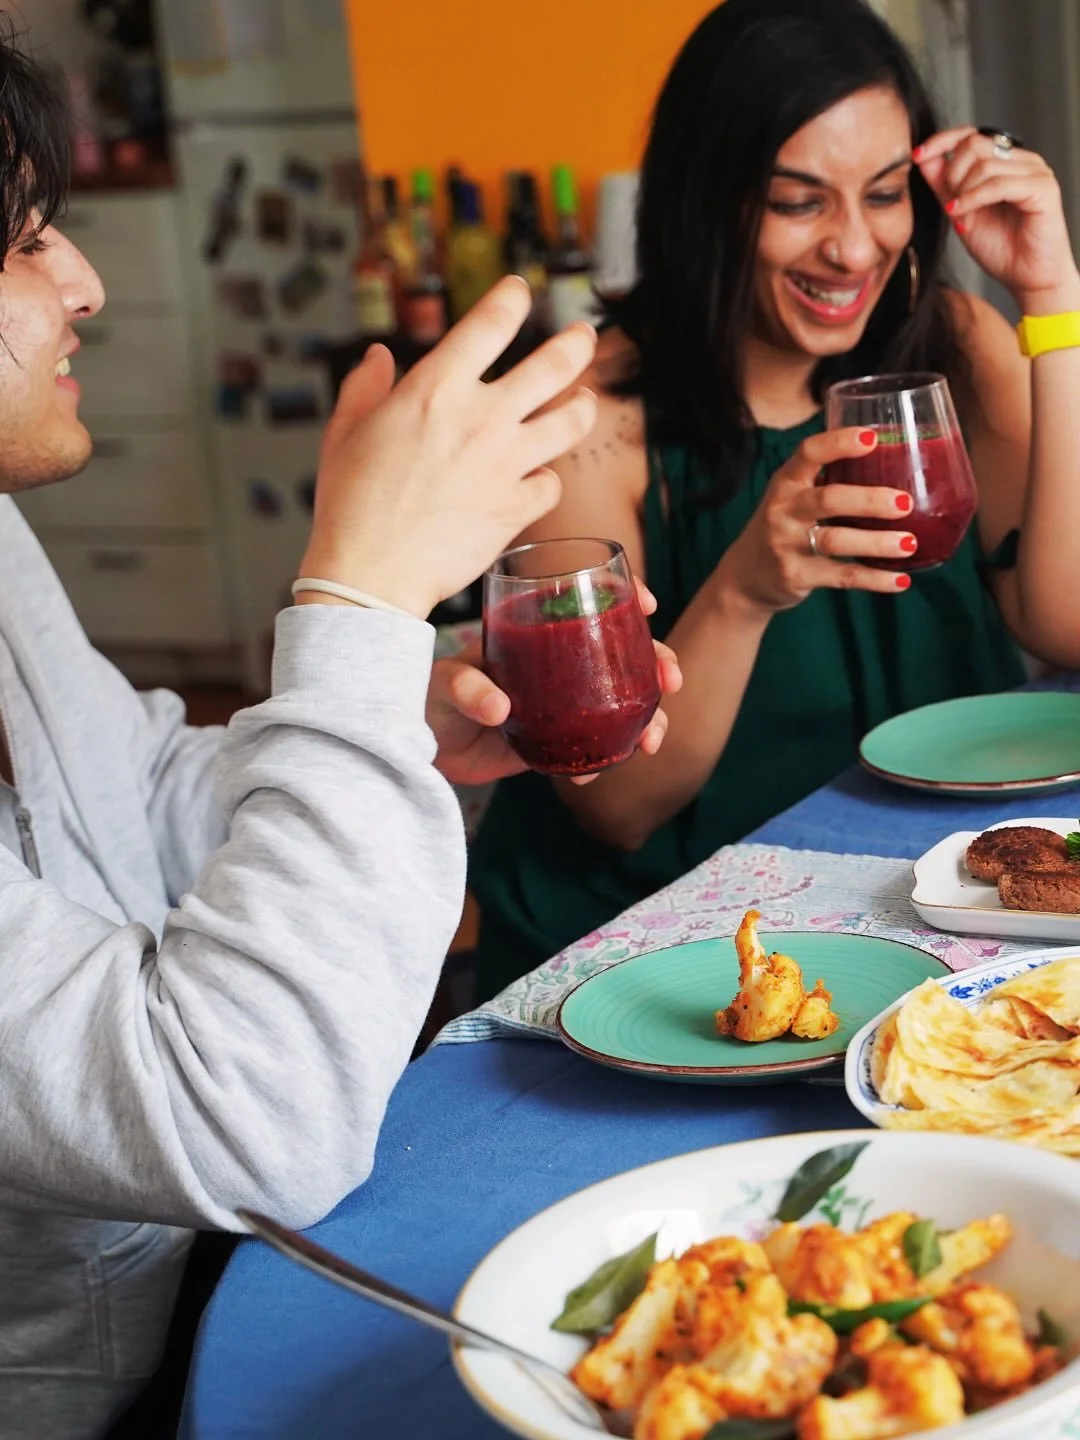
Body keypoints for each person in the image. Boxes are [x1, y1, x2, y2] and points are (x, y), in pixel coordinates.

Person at [0, 32, 687, 1440]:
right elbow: (254, 1128)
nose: (88, 283)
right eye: (20, 242)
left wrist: (392, 725)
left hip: (174, 1293)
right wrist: (358, 599)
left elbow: (123, 804)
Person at [469, 0, 1080, 999]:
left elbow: (1068, 622)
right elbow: (615, 804)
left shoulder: (956, 351)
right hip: (676, 957)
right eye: (799, 202)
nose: (853, 248)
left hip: (923, 904)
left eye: (884, 194)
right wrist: (746, 587)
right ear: (707, 202)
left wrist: (1053, 299)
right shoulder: (593, 424)